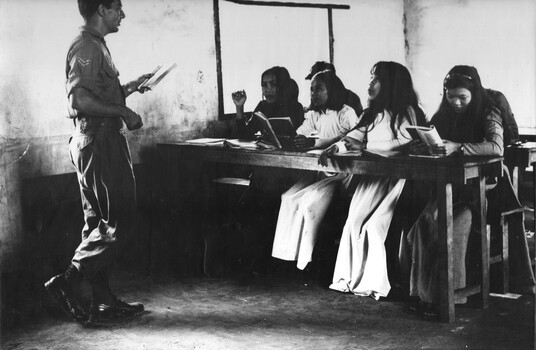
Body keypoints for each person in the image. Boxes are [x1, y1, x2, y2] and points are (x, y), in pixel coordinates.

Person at [44, 0, 154, 325]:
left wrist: (131, 87)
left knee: (98, 225)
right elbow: (78, 100)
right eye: (118, 7)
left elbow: (97, 93)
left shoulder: (97, 47)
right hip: (100, 142)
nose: (123, 14)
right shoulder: (86, 47)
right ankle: (66, 281)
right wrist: (124, 111)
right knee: (118, 221)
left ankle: (103, 298)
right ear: (102, 8)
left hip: (96, 141)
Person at [403, 65, 534, 321]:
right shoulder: (443, 114)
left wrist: (458, 148)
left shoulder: (489, 111)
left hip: (488, 188)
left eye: (463, 97)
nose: (457, 103)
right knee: (425, 224)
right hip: (453, 186)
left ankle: (450, 296)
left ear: (474, 93)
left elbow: (496, 147)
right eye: (451, 97)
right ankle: (422, 294)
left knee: (452, 225)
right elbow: (436, 137)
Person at [318, 61, 425, 300]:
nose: (370, 83)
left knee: (373, 227)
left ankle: (374, 282)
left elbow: (403, 145)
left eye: (375, 79)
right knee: (352, 224)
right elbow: (351, 138)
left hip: (395, 181)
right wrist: (335, 148)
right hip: (371, 180)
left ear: (390, 85)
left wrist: (366, 146)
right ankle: (350, 279)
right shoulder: (371, 114)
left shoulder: (406, 112)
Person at [271, 70, 359, 270]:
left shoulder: (346, 113)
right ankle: (286, 254)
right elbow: (302, 130)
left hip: (341, 175)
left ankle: (306, 259)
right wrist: (298, 138)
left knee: (308, 202)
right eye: (311, 89)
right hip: (318, 171)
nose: (313, 93)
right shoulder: (312, 114)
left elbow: (351, 140)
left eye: (318, 89)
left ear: (332, 91)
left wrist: (317, 142)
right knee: (288, 197)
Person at [231, 66, 304, 139]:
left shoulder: (296, 107)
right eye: (264, 85)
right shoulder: (262, 106)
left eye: (273, 84)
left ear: (283, 86)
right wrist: (239, 107)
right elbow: (245, 134)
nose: (267, 90)